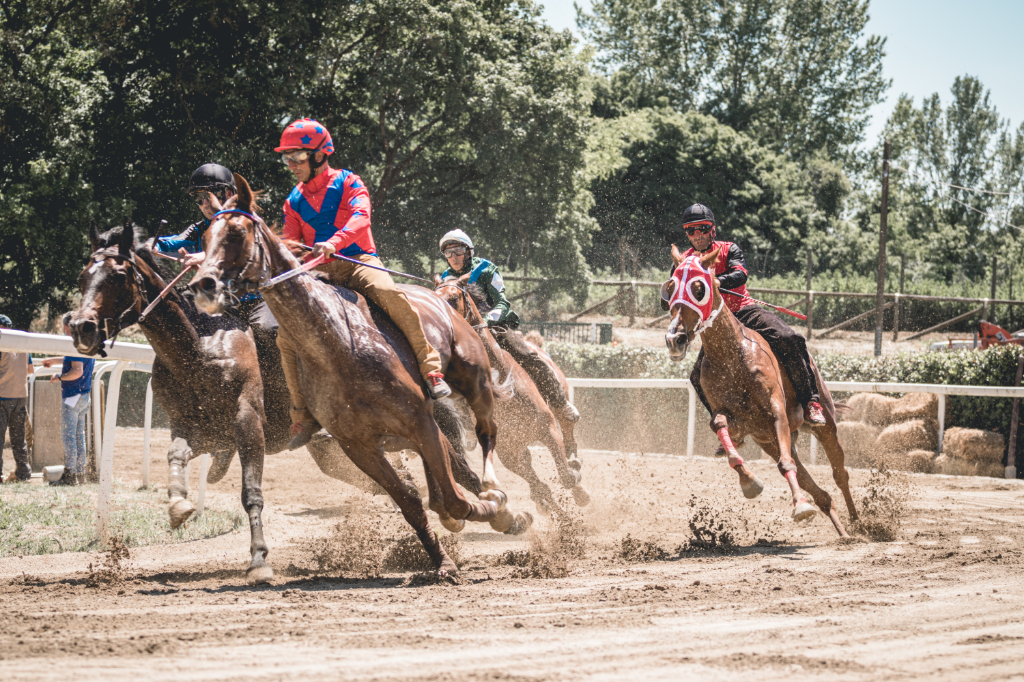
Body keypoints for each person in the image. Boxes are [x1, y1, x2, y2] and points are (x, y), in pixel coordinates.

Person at [274, 118, 452, 449]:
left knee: (389, 294)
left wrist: (334, 242)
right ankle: (302, 415)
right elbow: (290, 243)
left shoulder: (349, 182)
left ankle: (431, 371)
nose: (291, 165)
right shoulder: (293, 201)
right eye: (287, 158)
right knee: (286, 337)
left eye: (296, 157)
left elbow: (362, 217)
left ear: (318, 155)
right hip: (320, 274)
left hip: (359, 262)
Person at [678, 203, 826, 427]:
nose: (697, 235)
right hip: (714, 326)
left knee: (789, 338)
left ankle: (811, 402)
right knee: (697, 378)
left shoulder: (729, 249)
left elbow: (741, 274)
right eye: (691, 230)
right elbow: (676, 287)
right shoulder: (684, 260)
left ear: (712, 230)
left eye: (702, 229)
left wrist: (718, 281)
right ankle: (725, 426)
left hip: (743, 311)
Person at [438, 229, 580, 423]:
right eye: (448, 253)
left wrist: (485, 324)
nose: (453, 257)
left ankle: (559, 402)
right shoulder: (446, 278)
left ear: (468, 251)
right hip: (464, 335)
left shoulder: (487, 269)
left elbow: (502, 303)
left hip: (495, 326)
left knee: (527, 355)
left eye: (458, 251)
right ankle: (466, 422)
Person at [40, 314, 95, 486]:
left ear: (67, 326)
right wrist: (53, 360)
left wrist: (60, 377)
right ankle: (80, 473)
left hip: (72, 396)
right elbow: (75, 361)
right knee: (79, 436)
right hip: (84, 396)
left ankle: (70, 475)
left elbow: (76, 371)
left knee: (68, 436)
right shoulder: (86, 342)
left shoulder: (75, 344)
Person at [0, 314, 35, 482]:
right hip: (21, 395)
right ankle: (24, 472)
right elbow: (30, 370)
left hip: (2, 395)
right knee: (19, 438)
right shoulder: (22, 344)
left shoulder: (1, 343)